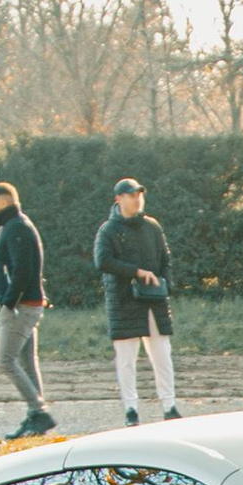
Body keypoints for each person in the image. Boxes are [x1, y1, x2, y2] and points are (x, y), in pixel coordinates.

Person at [93, 174, 179, 423]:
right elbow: (103, 261)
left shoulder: (152, 226)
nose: (137, 199)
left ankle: (169, 406)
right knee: (126, 358)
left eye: (139, 194)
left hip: (154, 299)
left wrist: (165, 285)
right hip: (123, 300)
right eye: (131, 195)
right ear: (119, 198)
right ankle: (131, 409)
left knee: (162, 354)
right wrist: (137, 272)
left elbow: (165, 259)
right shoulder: (108, 229)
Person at [0, 180, 54, 441]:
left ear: (3, 201)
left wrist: (8, 303)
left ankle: (38, 411)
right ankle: (36, 417)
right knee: (26, 361)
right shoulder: (14, 226)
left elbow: (22, 272)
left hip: (21, 306)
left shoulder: (16, 229)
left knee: (3, 361)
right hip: (27, 304)